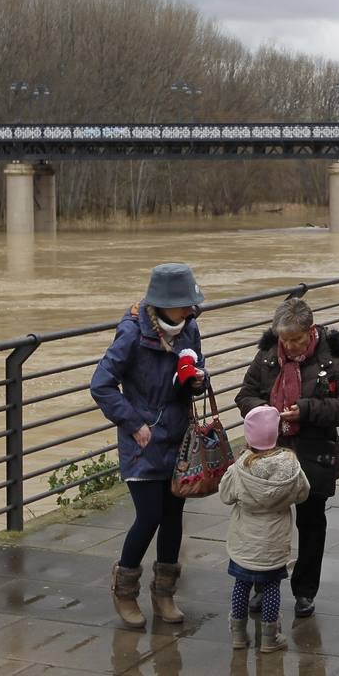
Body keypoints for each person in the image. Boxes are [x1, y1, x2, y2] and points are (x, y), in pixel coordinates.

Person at [89, 262, 208, 629]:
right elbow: (101, 385)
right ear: (165, 303)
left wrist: (196, 382)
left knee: (174, 516)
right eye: (186, 303)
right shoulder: (131, 334)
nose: (192, 309)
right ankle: (125, 591)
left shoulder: (190, 328)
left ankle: (164, 593)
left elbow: (197, 368)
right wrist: (133, 423)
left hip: (179, 436)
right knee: (150, 516)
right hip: (142, 441)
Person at [236, 296, 339, 618]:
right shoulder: (267, 355)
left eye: (296, 339)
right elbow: (245, 395)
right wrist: (265, 413)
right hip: (269, 452)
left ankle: (305, 591)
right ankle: (264, 586)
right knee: (268, 523)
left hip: (314, 452)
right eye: (284, 339)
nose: (289, 346)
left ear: (311, 331)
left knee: (311, 522)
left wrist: (305, 411)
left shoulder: (333, 356)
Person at [221, 405, 311, 653]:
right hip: (274, 541)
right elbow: (303, 493)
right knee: (272, 588)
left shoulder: (240, 467)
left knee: (241, 586)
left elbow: (225, 495)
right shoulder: (291, 465)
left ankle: (239, 635)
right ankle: (270, 638)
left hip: (245, 541)